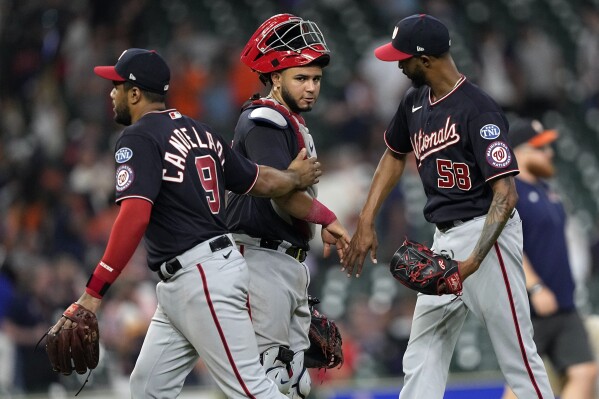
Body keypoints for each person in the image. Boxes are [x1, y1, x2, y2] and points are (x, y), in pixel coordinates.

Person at [47, 48, 323, 398]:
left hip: (201, 275)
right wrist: (292, 178)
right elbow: (261, 181)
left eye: (116, 85)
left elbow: (134, 216)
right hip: (189, 279)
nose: (111, 93)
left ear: (134, 93)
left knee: (251, 390)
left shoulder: (138, 136)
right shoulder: (199, 131)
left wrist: (93, 294)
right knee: (147, 387)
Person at [341, 14, 554, 398]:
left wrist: (471, 262)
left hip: (487, 238)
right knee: (423, 351)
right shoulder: (414, 103)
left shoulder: (478, 108)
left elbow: (506, 195)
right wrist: (368, 218)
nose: (399, 65)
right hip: (443, 241)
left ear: (425, 60)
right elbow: (393, 154)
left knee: (518, 358)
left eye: (403, 58)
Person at [226, 14, 351, 398]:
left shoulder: (287, 119)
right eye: (301, 77)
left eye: (315, 79)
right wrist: (328, 218)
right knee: (271, 376)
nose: (311, 87)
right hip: (260, 258)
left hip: (284, 261)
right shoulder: (265, 119)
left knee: (294, 380)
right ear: (276, 78)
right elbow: (277, 189)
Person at [502, 118, 598, 399]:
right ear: (520, 153)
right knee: (522, 385)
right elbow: (508, 245)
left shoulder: (546, 191)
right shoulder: (509, 193)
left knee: (584, 371)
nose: (549, 154)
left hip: (563, 301)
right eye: (541, 149)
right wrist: (535, 286)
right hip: (532, 304)